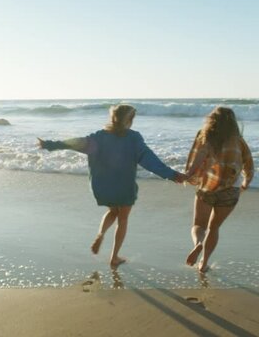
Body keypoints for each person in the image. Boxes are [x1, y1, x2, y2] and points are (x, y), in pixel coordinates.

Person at [38, 104, 185, 268]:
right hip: (124, 186)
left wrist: (50, 144)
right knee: (122, 218)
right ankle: (114, 257)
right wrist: (173, 175)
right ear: (129, 120)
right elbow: (149, 160)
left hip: (102, 185)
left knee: (112, 211)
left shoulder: (99, 136)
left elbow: (76, 143)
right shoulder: (134, 138)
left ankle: (101, 234)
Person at [183, 106, 254, 273]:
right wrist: (245, 183)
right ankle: (204, 263)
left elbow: (196, 160)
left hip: (207, 188)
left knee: (199, 225)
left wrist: (188, 176)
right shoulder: (239, 141)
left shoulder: (205, 137)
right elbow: (249, 166)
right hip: (231, 191)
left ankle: (198, 244)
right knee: (214, 228)